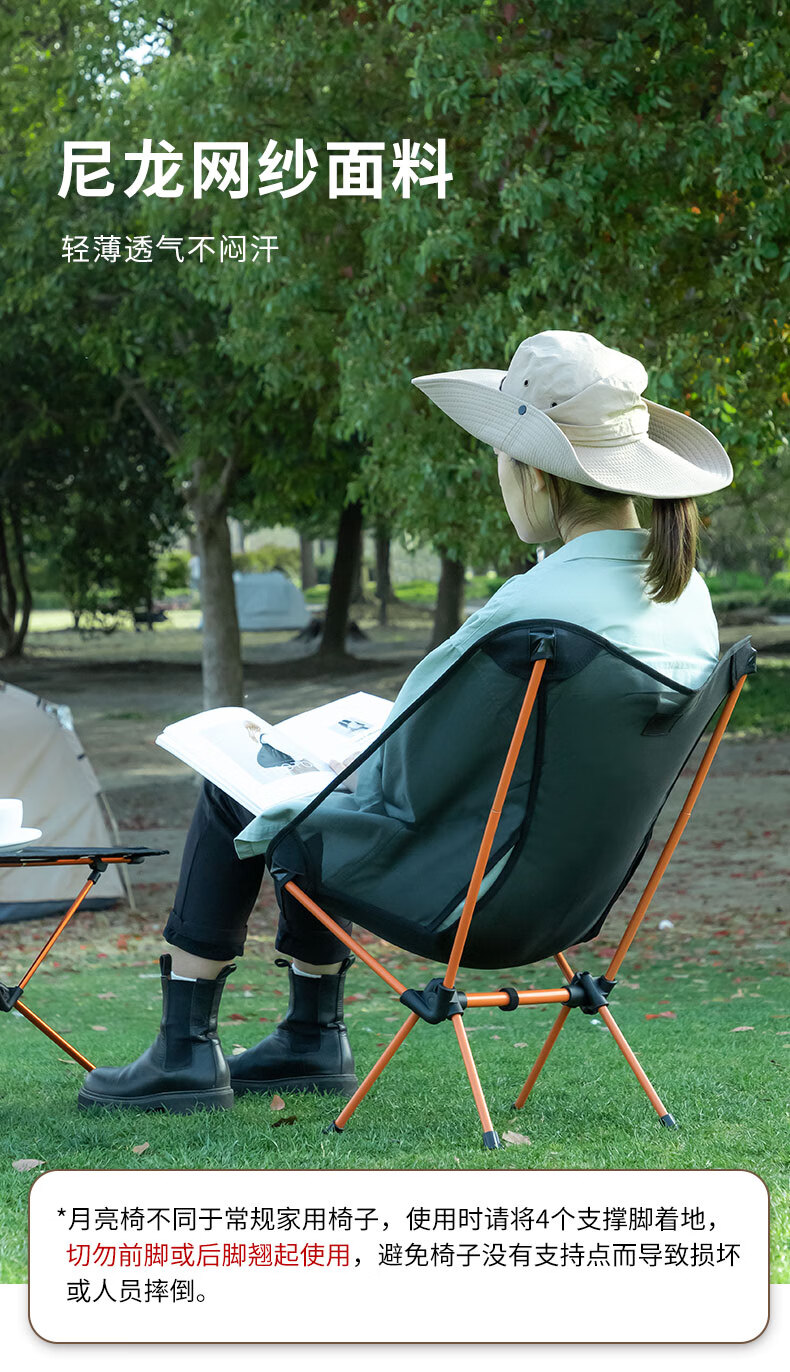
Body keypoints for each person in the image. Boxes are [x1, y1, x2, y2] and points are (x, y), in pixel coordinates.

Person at [77, 329, 733, 1114]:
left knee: (243, 792)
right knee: (318, 801)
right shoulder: (687, 604)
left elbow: (404, 779)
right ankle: (308, 1037)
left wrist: (325, 765)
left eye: (500, 456)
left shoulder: (534, 613)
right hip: (569, 902)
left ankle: (189, 1049)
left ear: (535, 475)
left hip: (466, 897)